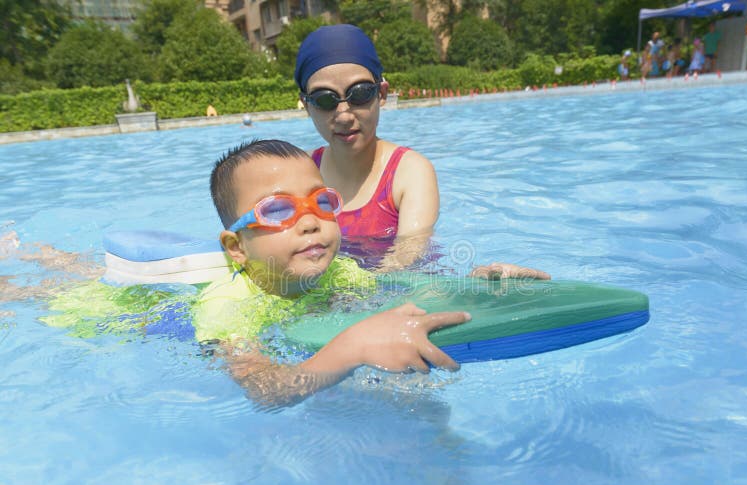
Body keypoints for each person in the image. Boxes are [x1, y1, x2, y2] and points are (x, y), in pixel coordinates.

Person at [1, 139, 551, 407]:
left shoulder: (336, 274)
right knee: (68, 293)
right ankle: (26, 265)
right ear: (236, 247)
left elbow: (404, 292)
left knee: (74, 275)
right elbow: (265, 389)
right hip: (128, 312)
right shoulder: (227, 306)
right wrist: (350, 349)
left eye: (322, 203)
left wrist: (478, 284)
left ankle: (40, 254)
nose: (311, 223)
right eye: (279, 211)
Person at [293, 24, 439, 267]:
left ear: (381, 93)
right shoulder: (300, 172)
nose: (344, 115)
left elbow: (407, 258)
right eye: (324, 99)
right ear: (306, 105)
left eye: (359, 94)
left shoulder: (409, 172)